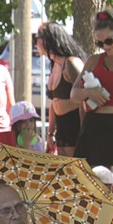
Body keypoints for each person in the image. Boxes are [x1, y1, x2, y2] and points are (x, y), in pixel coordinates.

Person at [71, 8, 113, 224]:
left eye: (108, 41)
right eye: (100, 43)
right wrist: (89, 93)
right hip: (95, 129)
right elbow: (73, 94)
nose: (105, 47)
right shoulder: (93, 61)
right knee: (92, 191)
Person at [37, 21, 85, 156]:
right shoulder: (54, 65)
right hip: (61, 129)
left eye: (38, 38)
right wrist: (50, 133)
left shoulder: (71, 63)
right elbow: (54, 102)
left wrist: (84, 134)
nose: (36, 43)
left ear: (48, 40)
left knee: (77, 173)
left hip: (75, 127)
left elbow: (85, 98)